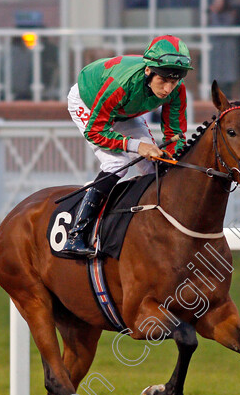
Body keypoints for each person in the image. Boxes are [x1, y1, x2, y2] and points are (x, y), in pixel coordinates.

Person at [63, 35, 191, 256]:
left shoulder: (177, 91)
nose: (168, 89)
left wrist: (171, 158)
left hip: (125, 110)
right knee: (117, 162)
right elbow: (95, 132)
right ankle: (76, 234)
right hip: (89, 100)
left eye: (175, 81)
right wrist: (136, 146)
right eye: (164, 80)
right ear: (149, 71)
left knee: (155, 165)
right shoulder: (121, 85)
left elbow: (175, 135)